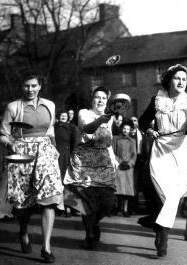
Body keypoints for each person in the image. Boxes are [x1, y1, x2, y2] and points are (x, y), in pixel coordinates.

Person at [138, 64, 187, 257]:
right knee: (165, 194)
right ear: (169, 80)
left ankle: (160, 231)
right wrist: (149, 130)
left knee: (173, 194)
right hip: (161, 151)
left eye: (184, 79)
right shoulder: (157, 101)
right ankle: (162, 234)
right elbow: (143, 122)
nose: (181, 82)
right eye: (177, 78)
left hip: (183, 151)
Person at [0, 72, 64, 263]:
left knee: (49, 198)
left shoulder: (49, 105)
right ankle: (24, 230)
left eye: (34, 86)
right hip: (22, 154)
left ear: (40, 86)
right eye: (27, 86)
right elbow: (3, 134)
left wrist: (54, 151)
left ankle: (46, 247)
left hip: (45, 153)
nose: (30, 90)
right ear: (22, 87)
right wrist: (12, 145)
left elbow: (50, 132)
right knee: (23, 202)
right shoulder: (13, 107)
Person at [63, 86, 118, 250]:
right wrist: (101, 120)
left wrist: (113, 159)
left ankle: (93, 224)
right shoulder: (84, 113)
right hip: (85, 161)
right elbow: (88, 129)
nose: (100, 100)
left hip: (103, 161)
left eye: (103, 98)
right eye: (97, 97)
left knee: (108, 201)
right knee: (87, 201)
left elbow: (108, 141)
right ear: (91, 100)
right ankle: (90, 235)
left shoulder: (110, 118)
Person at [54, 111, 78, 217]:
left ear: (68, 117)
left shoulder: (71, 128)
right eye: (61, 115)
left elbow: (75, 143)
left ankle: (69, 208)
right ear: (58, 116)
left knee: (67, 182)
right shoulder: (53, 127)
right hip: (55, 156)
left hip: (67, 157)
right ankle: (58, 207)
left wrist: (73, 156)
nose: (63, 116)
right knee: (56, 181)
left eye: (65, 115)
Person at [112, 119, 137, 217]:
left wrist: (130, 164)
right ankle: (116, 208)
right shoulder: (115, 139)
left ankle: (125, 209)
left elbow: (134, 155)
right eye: (124, 128)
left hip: (128, 168)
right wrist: (119, 162)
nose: (125, 130)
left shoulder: (133, 141)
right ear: (121, 129)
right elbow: (113, 152)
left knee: (126, 191)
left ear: (130, 130)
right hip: (119, 167)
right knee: (118, 189)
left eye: (127, 129)